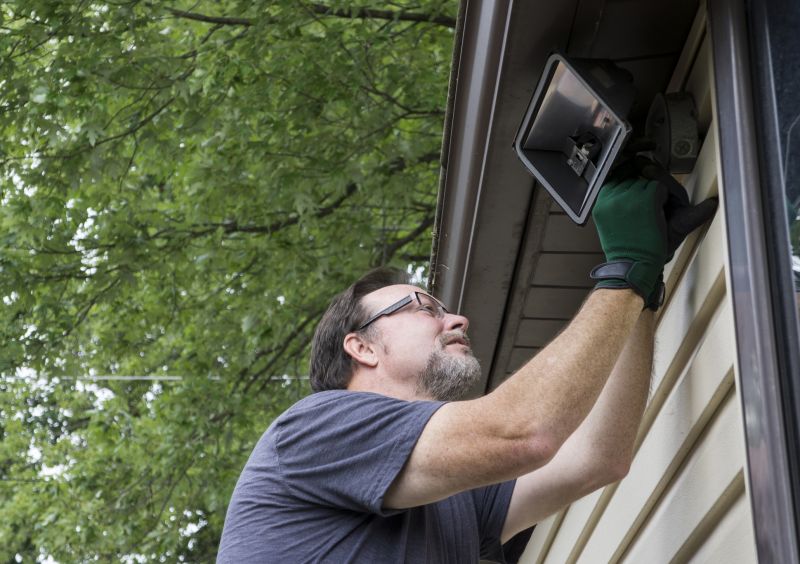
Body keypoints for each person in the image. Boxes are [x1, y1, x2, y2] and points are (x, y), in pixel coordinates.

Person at [217, 172, 717, 563]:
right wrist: (623, 268)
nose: (456, 317)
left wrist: (642, 291)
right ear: (361, 348)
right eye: (424, 308)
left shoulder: (448, 494)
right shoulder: (316, 429)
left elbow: (596, 458)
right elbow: (525, 433)